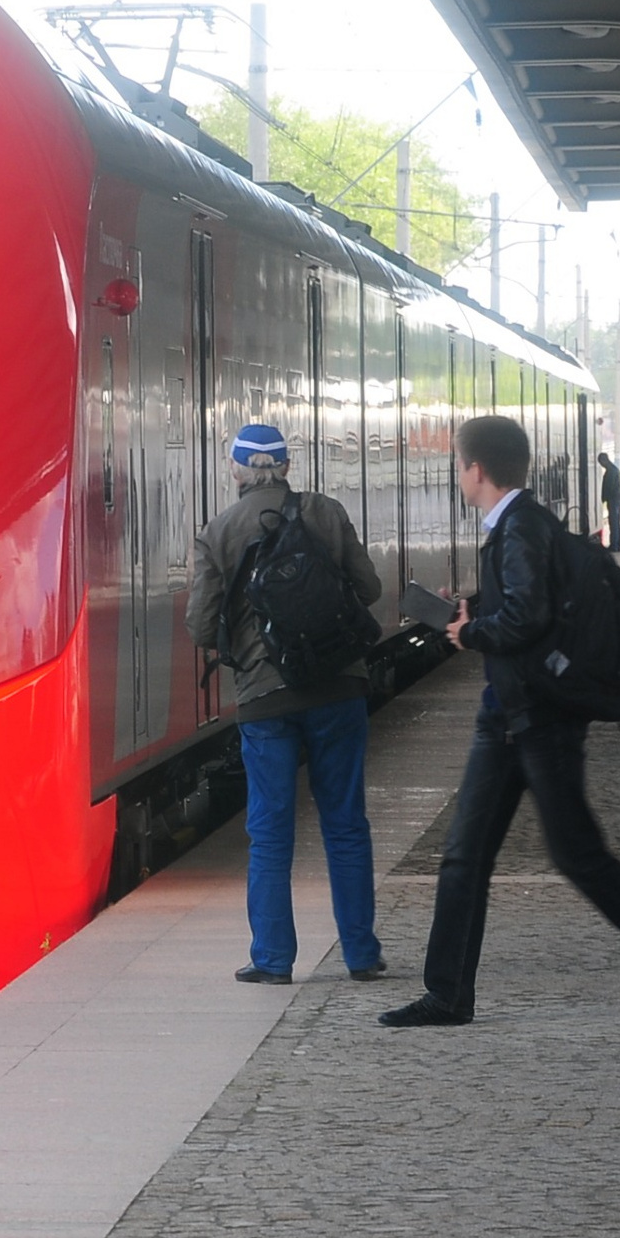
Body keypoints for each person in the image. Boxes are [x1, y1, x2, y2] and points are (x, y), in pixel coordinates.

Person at [381, 415, 620, 1028]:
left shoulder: (519, 527)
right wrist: (477, 607)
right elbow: (532, 602)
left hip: (540, 718)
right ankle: (447, 994)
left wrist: (469, 630)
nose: (457, 476)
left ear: (476, 470)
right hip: (507, 714)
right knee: (463, 855)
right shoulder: (520, 524)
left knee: (577, 854)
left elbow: (527, 618)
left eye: (458, 466)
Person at [191, 422, 387, 988]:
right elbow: (370, 589)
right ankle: (361, 954)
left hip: (264, 698)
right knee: (346, 824)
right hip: (337, 688)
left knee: (270, 831)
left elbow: (201, 625)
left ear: (238, 469)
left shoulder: (220, 531)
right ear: (285, 466)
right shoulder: (325, 512)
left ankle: (274, 959)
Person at [598, 451, 620, 552]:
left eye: (601, 463)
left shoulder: (610, 471)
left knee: (613, 523)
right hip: (618, 498)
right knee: (617, 523)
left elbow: (609, 487)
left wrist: (604, 498)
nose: (601, 465)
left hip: (613, 499)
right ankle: (617, 544)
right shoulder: (614, 469)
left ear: (604, 460)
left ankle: (614, 545)